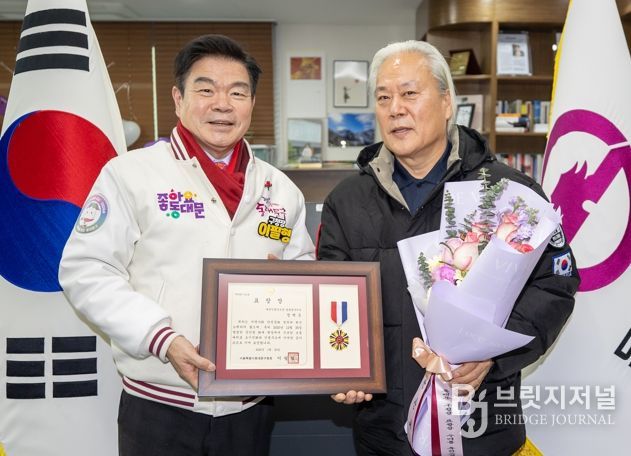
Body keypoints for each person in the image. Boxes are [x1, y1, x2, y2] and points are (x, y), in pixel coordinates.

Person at [318, 40, 579, 455]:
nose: (395, 109)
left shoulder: (508, 192)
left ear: (446, 102)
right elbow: (331, 300)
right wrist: (341, 368)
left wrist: (493, 358)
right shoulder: (346, 201)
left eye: (409, 93)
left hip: (482, 427)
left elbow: (554, 285)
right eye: (383, 98)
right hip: (384, 431)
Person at [59, 34, 314, 456]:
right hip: (160, 405)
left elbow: (303, 272)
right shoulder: (131, 174)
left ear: (252, 104)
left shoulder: (281, 190)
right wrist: (162, 338)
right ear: (178, 99)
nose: (222, 104)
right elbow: (85, 269)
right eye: (206, 89)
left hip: (250, 406)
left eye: (237, 92)